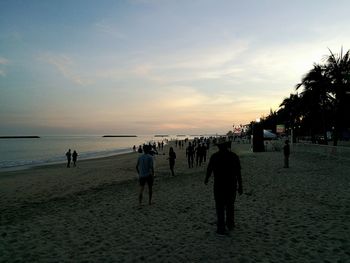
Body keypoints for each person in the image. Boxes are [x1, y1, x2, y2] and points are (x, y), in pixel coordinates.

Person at [204, 139, 243, 235]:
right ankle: (230, 224)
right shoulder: (234, 156)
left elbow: (209, 169)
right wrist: (240, 186)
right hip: (231, 185)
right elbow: (238, 173)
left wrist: (207, 179)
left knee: (220, 207)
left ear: (219, 147)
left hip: (219, 185)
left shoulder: (215, 157)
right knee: (230, 206)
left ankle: (221, 227)